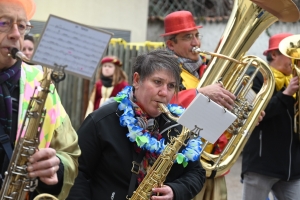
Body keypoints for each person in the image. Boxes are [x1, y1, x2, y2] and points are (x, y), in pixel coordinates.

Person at [67, 49, 206, 200]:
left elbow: (197, 172)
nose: (164, 93)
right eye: (157, 82)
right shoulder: (101, 120)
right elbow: (77, 173)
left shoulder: (178, 125)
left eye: (171, 86)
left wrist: (176, 190)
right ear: (136, 80)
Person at [0, 0, 80, 199]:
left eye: (21, 26)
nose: (16, 34)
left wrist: (57, 168)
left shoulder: (41, 82)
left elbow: (69, 152)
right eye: (4, 23)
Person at [161, 10, 237, 200]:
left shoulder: (208, 70)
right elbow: (162, 103)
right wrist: (199, 94)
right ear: (171, 44)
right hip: (180, 166)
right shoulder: (163, 70)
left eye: (196, 36)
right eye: (188, 37)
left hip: (212, 164)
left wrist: (239, 114)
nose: (196, 43)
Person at [241, 33, 300, 200]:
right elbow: (255, 113)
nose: (296, 59)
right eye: (292, 54)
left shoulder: (295, 79)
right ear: (274, 55)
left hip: (292, 168)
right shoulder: (257, 78)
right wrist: (286, 94)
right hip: (261, 165)